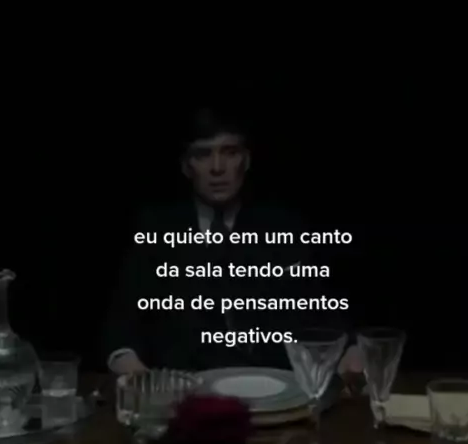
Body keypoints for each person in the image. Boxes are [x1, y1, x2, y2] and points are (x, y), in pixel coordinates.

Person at [104, 106, 362, 375]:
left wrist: (350, 349)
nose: (217, 168)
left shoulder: (282, 226)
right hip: (183, 389)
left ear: (246, 161)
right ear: (186, 166)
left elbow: (320, 306)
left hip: (274, 386)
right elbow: (121, 326)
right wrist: (133, 368)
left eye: (230, 152)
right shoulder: (156, 228)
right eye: (203, 155)